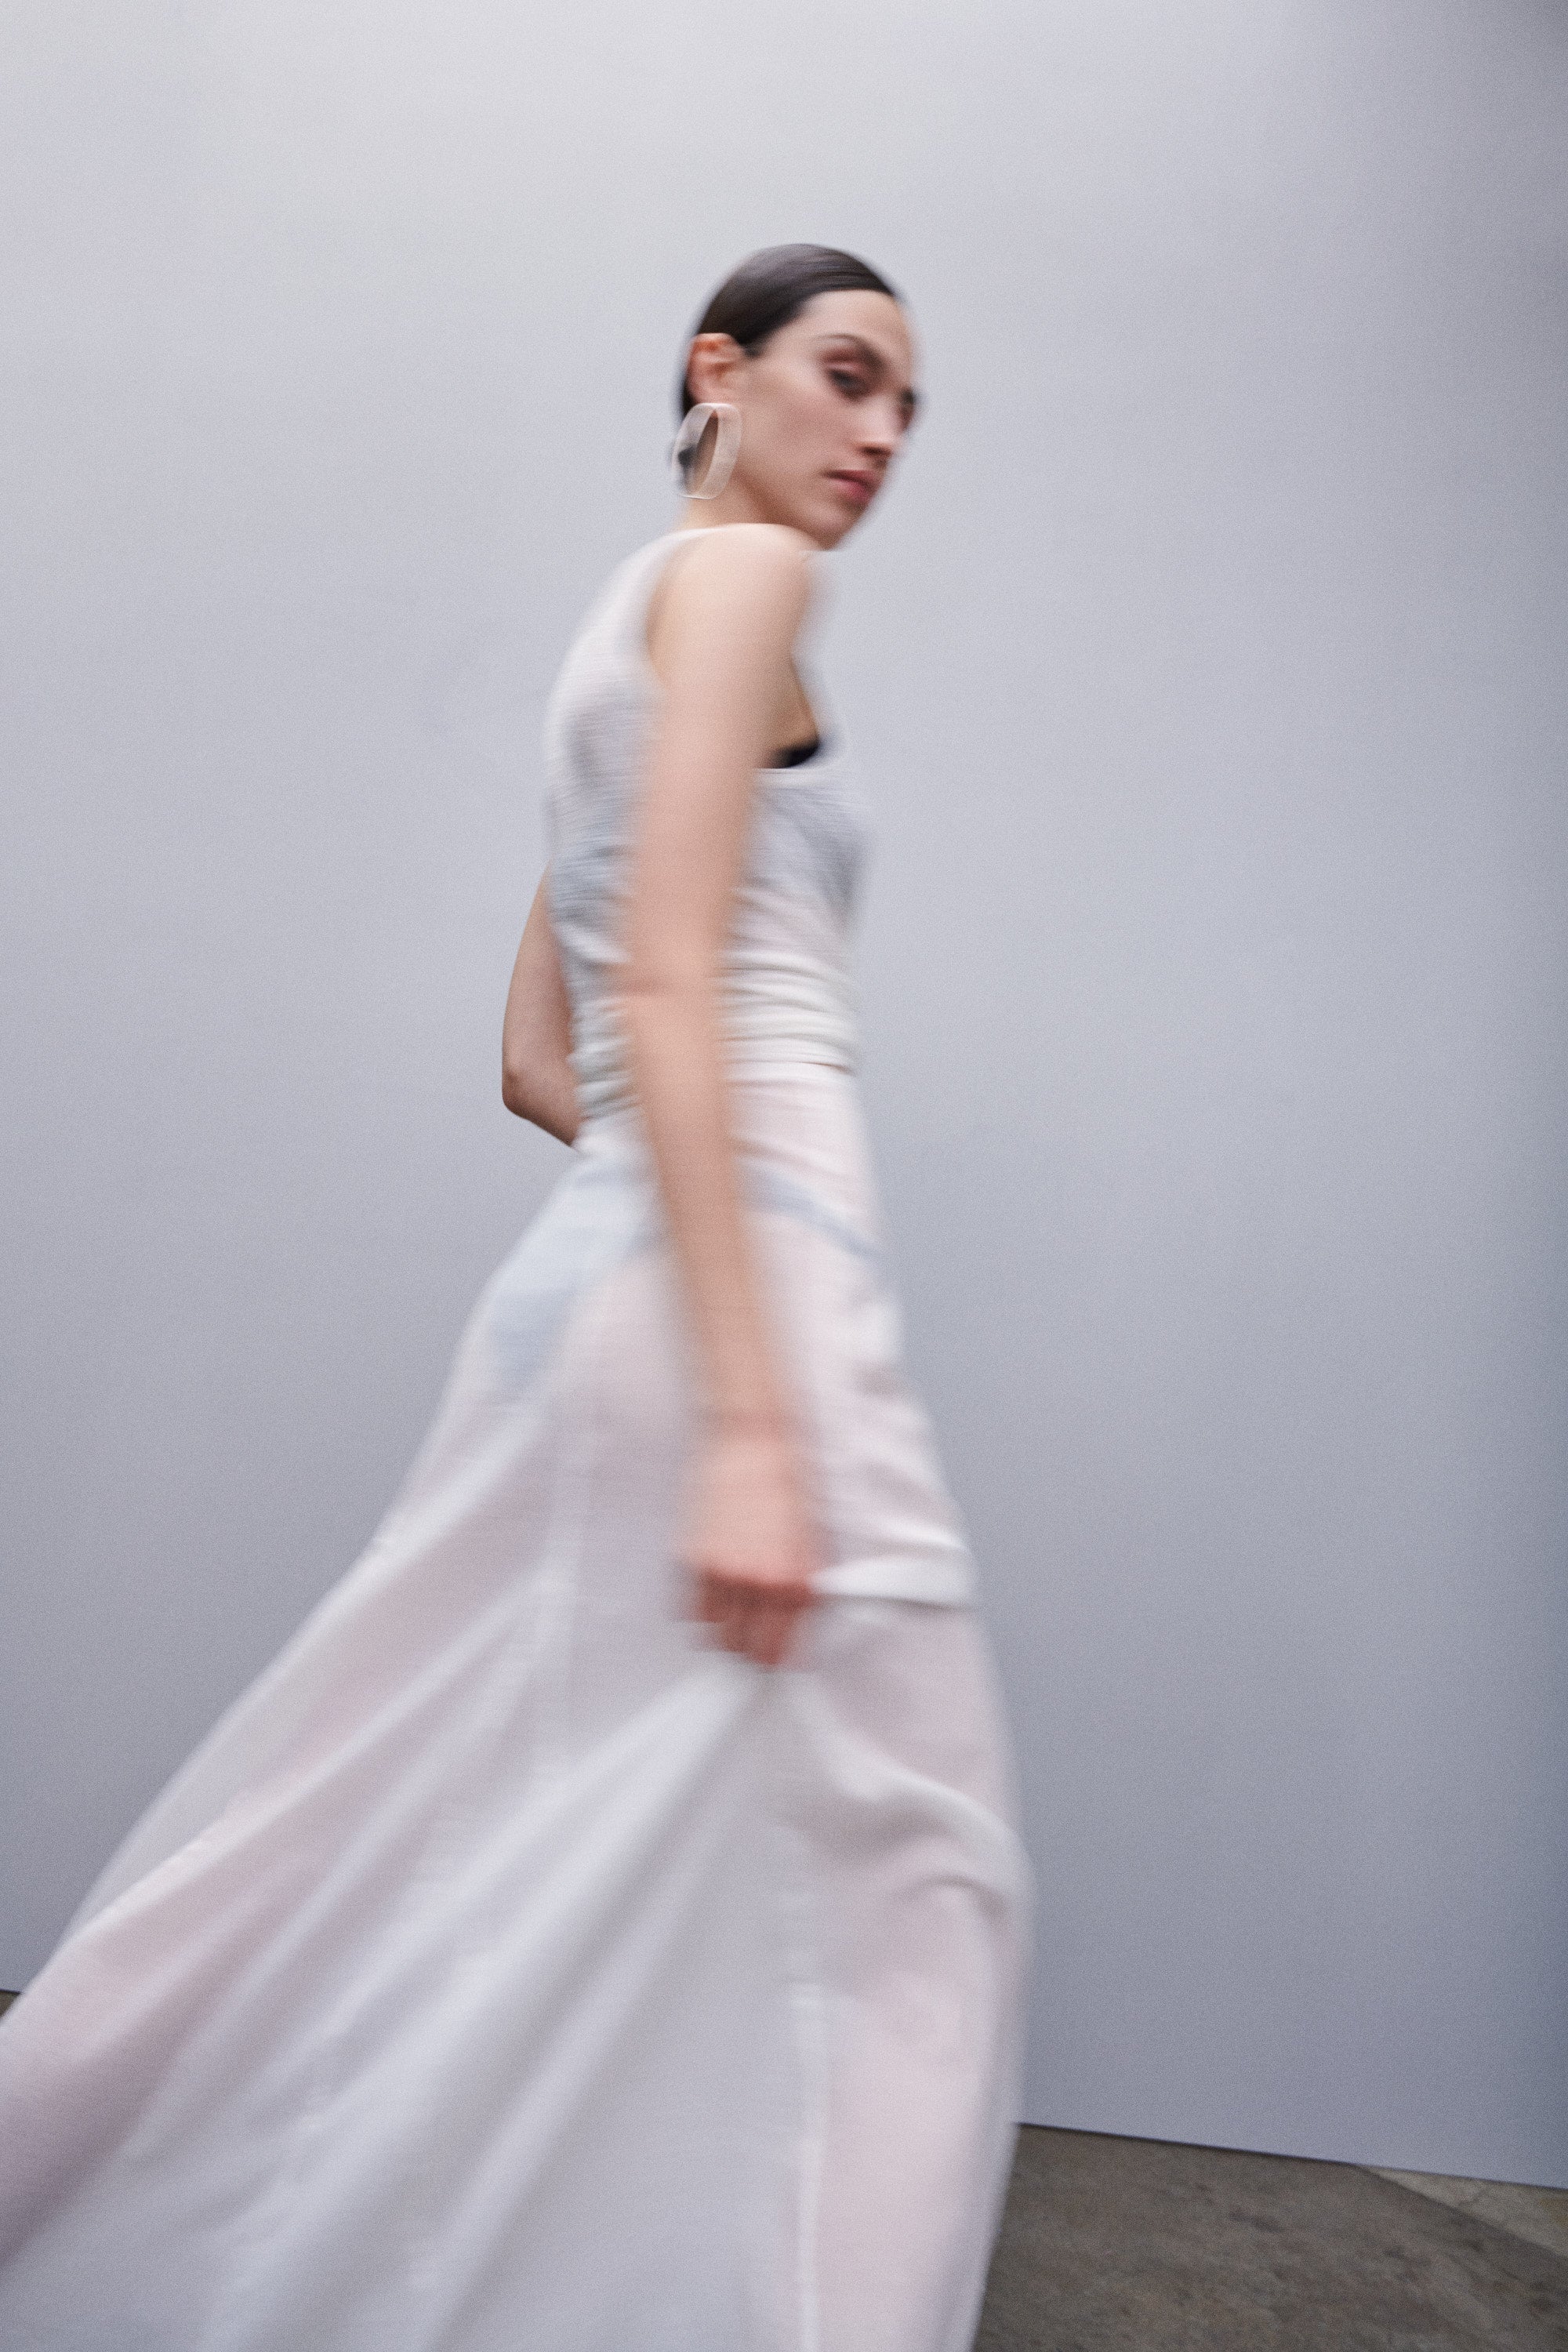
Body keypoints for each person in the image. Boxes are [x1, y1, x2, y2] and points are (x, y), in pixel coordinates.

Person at [0, 242, 1033, 2352]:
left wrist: (655, 1249)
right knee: (922, 1888)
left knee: (373, 1820)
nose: (880, 435)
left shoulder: (617, 637)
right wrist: (751, 1416)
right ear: (717, 369)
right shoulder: (747, 582)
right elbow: (656, 995)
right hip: (752, 1308)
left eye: (909, 408)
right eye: (847, 377)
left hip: (599, 1301)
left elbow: (534, 1052)